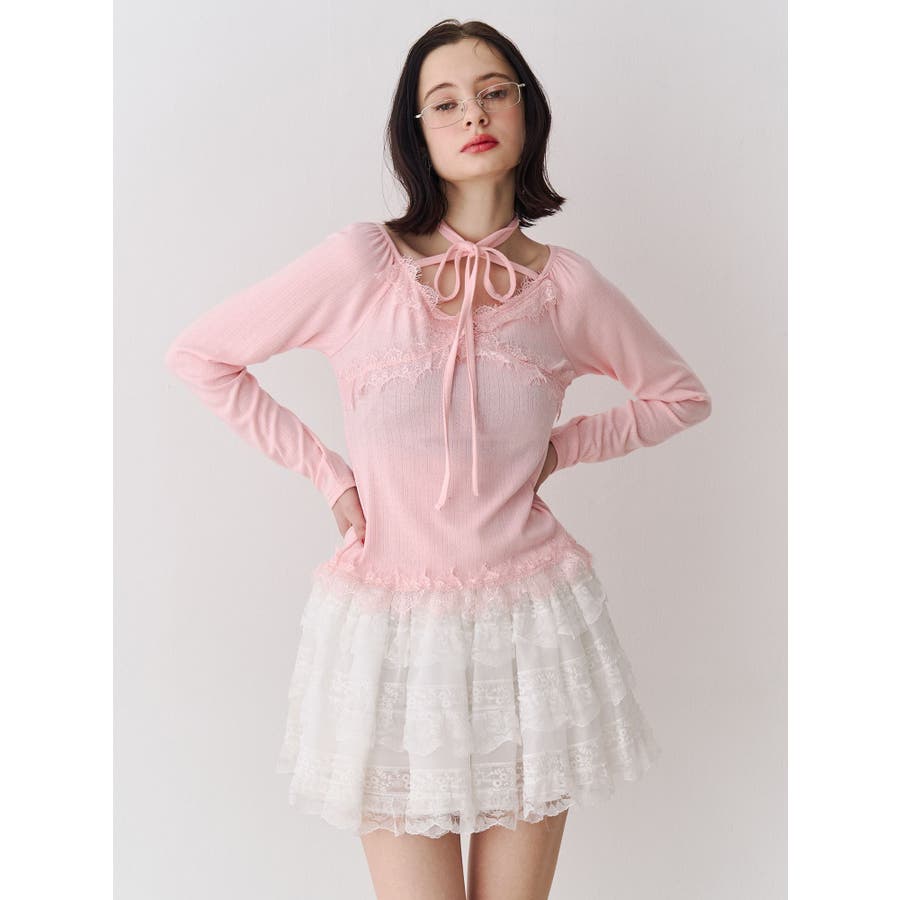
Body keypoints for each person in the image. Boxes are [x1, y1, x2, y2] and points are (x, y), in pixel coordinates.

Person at [164, 18, 712, 900]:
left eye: (494, 92)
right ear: (415, 132)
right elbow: (203, 356)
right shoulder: (360, 264)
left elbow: (679, 395)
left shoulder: (565, 287)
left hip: (528, 629)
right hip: (389, 630)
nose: (474, 115)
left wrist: (561, 449)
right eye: (445, 102)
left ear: (527, 110)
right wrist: (329, 477)